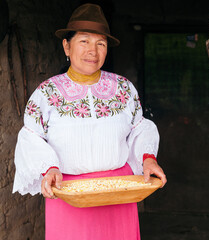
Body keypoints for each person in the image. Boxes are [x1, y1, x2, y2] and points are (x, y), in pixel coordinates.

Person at [12, 3, 166, 240]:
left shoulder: (123, 88)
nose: (92, 51)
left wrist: (148, 159)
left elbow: (139, 128)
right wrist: (49, 168)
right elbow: (31, 136)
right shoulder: (47, 93)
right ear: (67, 45)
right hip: (69, 194)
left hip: (119, 192)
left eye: (100, 43)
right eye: (84, 41)